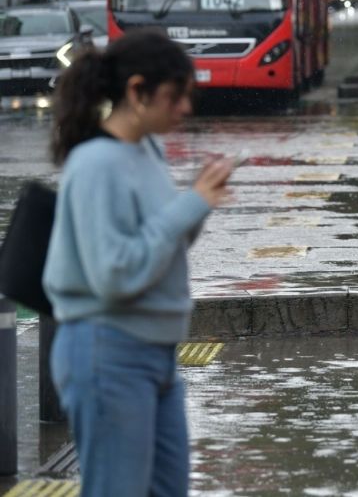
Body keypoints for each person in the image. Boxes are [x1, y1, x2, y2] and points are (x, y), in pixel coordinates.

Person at [42, 30, 234, 496]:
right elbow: (116, 274)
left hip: (157, 352)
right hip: (108, 352)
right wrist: (189, 207)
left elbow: (162, 245)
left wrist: (197, 203)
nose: (185, 110)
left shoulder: (145, 150)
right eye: (174, 97)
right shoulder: (95, 165)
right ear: (136, 91)